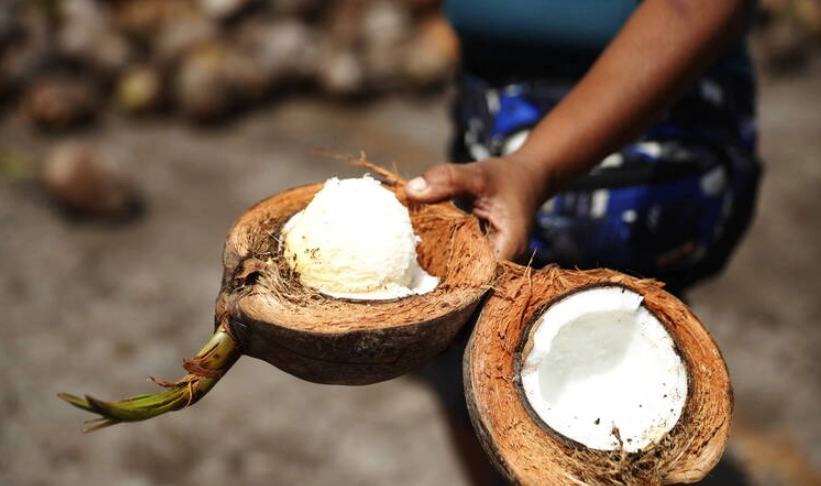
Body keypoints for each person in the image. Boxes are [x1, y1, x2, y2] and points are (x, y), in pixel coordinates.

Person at [406, 1, 763, 484]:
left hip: (648, 122)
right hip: (493, 112)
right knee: (465, 373)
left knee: (618, 357)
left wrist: (534, 168)